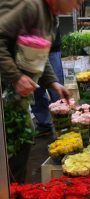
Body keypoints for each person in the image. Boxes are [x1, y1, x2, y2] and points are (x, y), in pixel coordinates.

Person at [0, 0, 81, 182]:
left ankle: (14, 197)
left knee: (23, 141)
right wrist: (16, 77)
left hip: (15, 100)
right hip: (6, 96)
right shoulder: (30, 6)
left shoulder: (50, 16)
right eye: (76, 0)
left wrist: (53, 83)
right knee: (14, 145)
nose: (78, 5)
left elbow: (38, 55)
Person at [31, 28, 65, 136]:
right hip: (32, 48)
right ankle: (45, 124)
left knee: (56, 88)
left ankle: (63, 124)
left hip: (52, 47)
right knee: (37, 89)